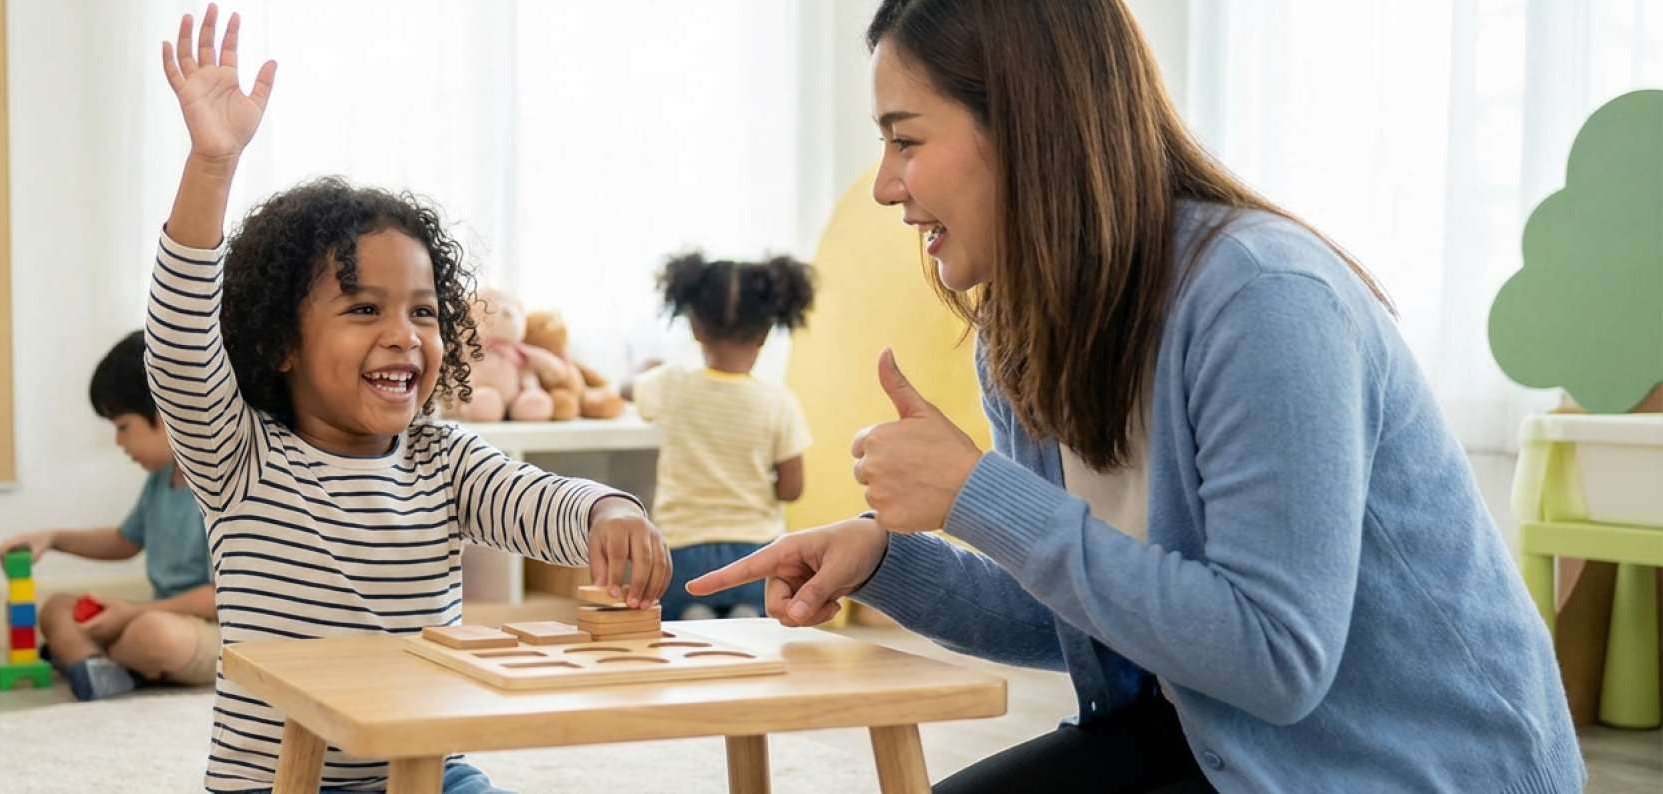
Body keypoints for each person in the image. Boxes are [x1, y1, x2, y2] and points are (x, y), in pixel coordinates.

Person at [689, 1, 1584, 792]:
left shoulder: (1265, 299)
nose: (888, 184)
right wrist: (887, 562)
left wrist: (978, 496)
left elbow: (1275, 658)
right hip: (1214, 736)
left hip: (1405, 763)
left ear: (1031, 128)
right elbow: (1089, 608)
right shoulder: (1021, 334)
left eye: (906, 139)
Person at [148, 7, 672, 792]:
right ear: (281, 342)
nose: (404, 335)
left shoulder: (444, 458)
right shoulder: (239, 455)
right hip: (276, 781)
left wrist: (609, 512)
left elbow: (540, 501)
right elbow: (180, 341)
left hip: (427, 771)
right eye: (364, 309)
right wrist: (213, 166)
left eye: (422, 311)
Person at [0, 332, 219, 702]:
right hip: (150, 615)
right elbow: (123, 541)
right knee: (57, 609)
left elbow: (217, 597)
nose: (118, 442)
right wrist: (51, 538)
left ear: (166, 416)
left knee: (156, 634)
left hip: (208, 632)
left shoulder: (216, 486)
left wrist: (131, 613)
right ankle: (98, 667)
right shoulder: (160, 480)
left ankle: (89, 659)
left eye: (122, 427)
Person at [633, 252, 816, 621]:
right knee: (752, 626)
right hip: (755, 553)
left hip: (681, 551)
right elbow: (792, 489)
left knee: (688, 626)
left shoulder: (671, 384)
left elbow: (627, 389)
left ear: (696, 327)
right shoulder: (778, 401)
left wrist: (644, 368)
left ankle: (695, 617)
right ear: (766, 333)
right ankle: (745, 618)